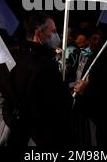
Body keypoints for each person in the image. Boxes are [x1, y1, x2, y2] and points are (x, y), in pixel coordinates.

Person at [6, 12, 73, 147]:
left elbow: (4, 104)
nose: (56, 35)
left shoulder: (11, 60)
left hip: (16, 134)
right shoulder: (45, 65)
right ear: (38, 34)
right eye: (53, 31)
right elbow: (59, 106)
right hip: (42, 137)